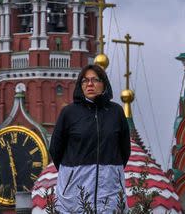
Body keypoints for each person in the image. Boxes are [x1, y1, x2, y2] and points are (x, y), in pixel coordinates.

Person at [49, 64, 131, 213]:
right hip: (75, 191)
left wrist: (111, 173)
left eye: (95, 80)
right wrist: (71, 174)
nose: (90, 84)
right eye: (85, 81)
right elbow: (55, 150)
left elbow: (124, 149)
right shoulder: (69, 113)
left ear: (104, 84)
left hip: (109, 189)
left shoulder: (116, 112)